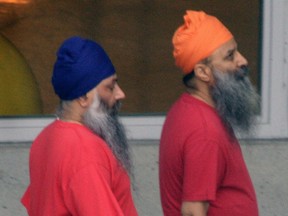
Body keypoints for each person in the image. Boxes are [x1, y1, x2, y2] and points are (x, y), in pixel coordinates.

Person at [21, 36, 138, 216]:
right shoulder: (85, 150)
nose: (120, 93)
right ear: (83, 97)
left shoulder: (45, 137)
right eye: (110, 86)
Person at [159, 10, 260, 216]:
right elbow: (193, 211)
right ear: (203, 72)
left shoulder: (188, 109)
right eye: (230, 56)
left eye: (237, 51)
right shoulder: (204, 132)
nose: (242, 61)